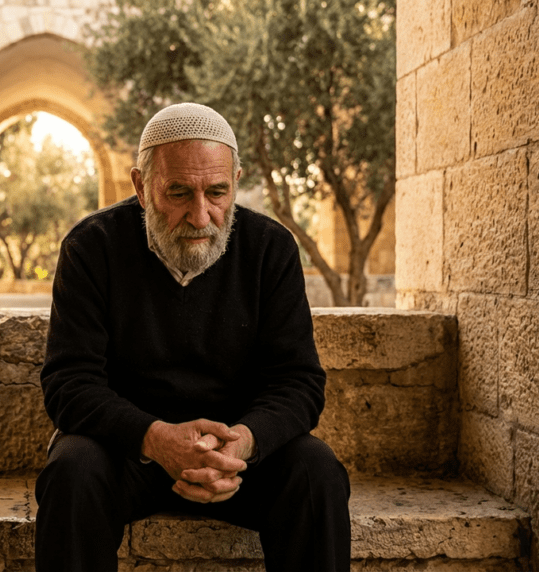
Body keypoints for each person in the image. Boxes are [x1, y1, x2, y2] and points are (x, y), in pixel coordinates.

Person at [35, 103, 351, 571]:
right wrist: (157, 439)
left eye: (217, 192)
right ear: (142, 186)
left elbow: (299, 382)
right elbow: (69, 384)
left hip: (236, 460)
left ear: (236, 182)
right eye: (178, 192)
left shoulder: (270, 249)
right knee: (72, 471)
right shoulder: (92, 247)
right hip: (129, 454)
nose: (201, 216)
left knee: (316, 472)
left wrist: (242, 443)